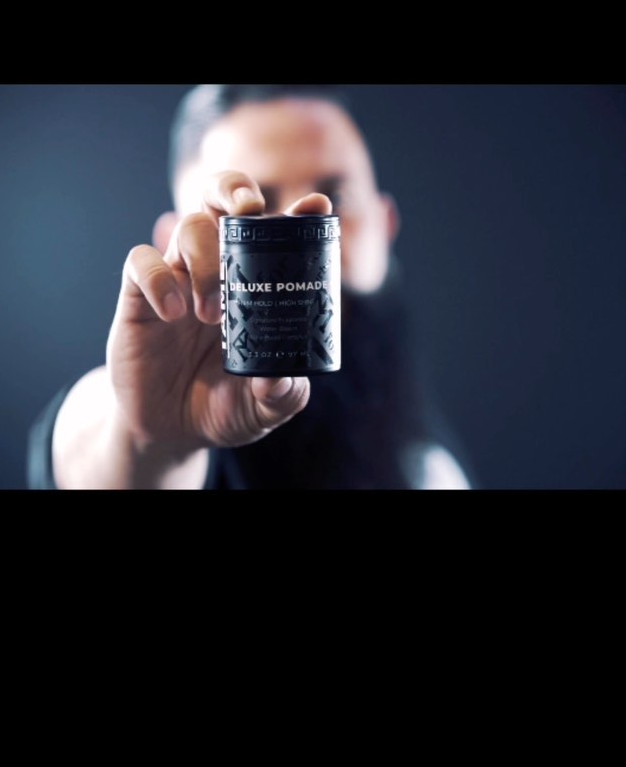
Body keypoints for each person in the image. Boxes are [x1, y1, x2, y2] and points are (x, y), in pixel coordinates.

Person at [28, 85, 472, 490]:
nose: (300, 246)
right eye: (253, 219)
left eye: (338, 200)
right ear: (173, 245)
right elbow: (96, 449)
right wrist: (147, 440)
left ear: (385, 223)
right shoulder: (160, 416)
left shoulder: (424, 452)